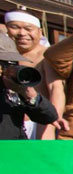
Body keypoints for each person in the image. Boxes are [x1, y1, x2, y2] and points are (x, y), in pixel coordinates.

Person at [4, 9, 66, 139]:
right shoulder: (4, 55)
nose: (22, 33)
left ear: (39, 32)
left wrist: (51, 125)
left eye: (28, 28)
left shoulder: (46, 55)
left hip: (38, 121)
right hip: (7, 120)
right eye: (14, 27)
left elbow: (56, 89)